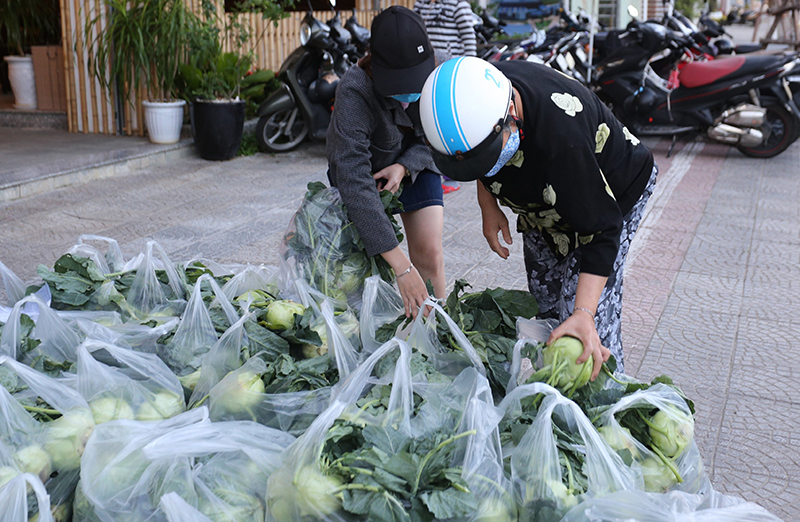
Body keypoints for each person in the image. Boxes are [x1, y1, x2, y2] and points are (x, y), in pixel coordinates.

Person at [419, 57, 657, 378]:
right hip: (546, 200)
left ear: (511, 117)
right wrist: (488, 205)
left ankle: (603, 402)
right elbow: (474, 153)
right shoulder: (477, 94)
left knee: (585, 328)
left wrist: (584, 313)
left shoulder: (561, 142)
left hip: (608, 195)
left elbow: (603, 229)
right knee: (546, 298)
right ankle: (552, 389)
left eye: (487, 159)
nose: (484, 168)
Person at [326, 6, 445, 319]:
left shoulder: (443, 75)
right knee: (359, 271)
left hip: (418, 165)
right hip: (368, 177)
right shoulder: (354, 90)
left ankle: (437, 331)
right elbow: (352, 177)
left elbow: (441, 142)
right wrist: (402, 268)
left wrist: (405, 166)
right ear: (374, 63)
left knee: (429, 254)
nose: (408, 88)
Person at [413, 0, 478, 194]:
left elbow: (469, 39)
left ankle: (453, 174)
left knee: (449, 121)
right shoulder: (421, 3)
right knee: (429, 120)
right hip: (426, 69)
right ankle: (433, 169)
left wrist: (469, 71)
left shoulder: (458, 4)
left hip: (450, 72)